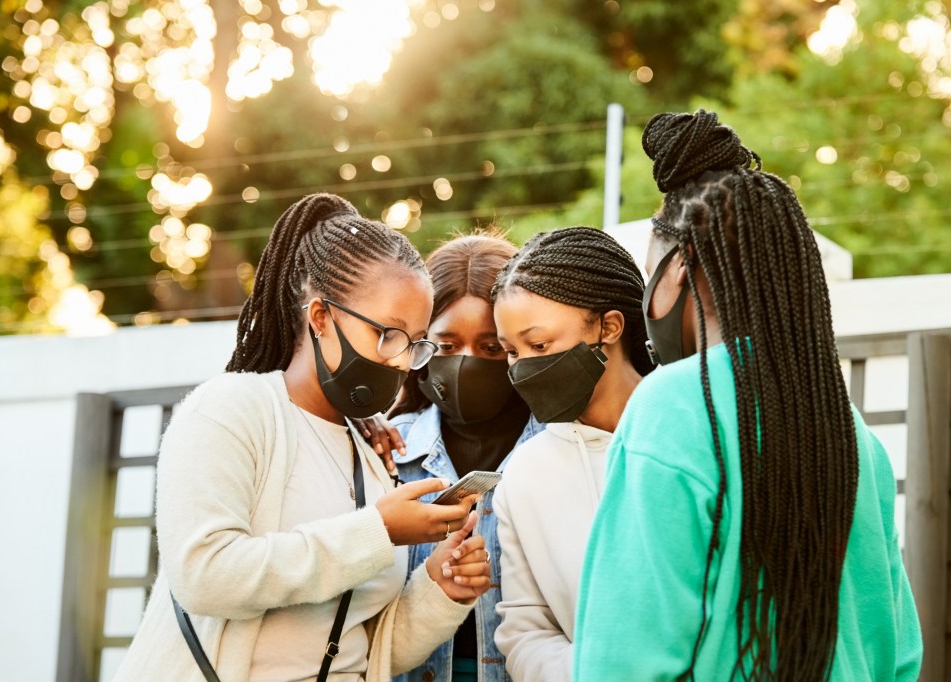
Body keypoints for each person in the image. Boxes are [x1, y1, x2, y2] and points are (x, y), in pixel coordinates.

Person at [574, 110, 923, 680]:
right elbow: (898, 653)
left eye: (647, 275)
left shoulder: (675, 408)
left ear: (678, 271)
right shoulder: (854, 433)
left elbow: (622, 658)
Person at [115, 193, 492, 682]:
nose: (402, 360)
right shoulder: (229, 409)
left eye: (416, 342)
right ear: (320, 318)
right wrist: (378, 531)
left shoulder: (371, 450)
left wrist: (441, 588)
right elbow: (205, 575)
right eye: (389, 334)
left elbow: (361, 653)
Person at [487, 226, 654, 681]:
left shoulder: (690, 436)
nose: (522, 367)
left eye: (539, 345)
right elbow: (524, 631)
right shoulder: (523, 474)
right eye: (510, 351)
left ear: (610, 327)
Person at [388, 232, 543, 682]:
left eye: (491, 348)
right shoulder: (385, 454)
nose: (467, 363)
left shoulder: (560, 452)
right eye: (448, 346)